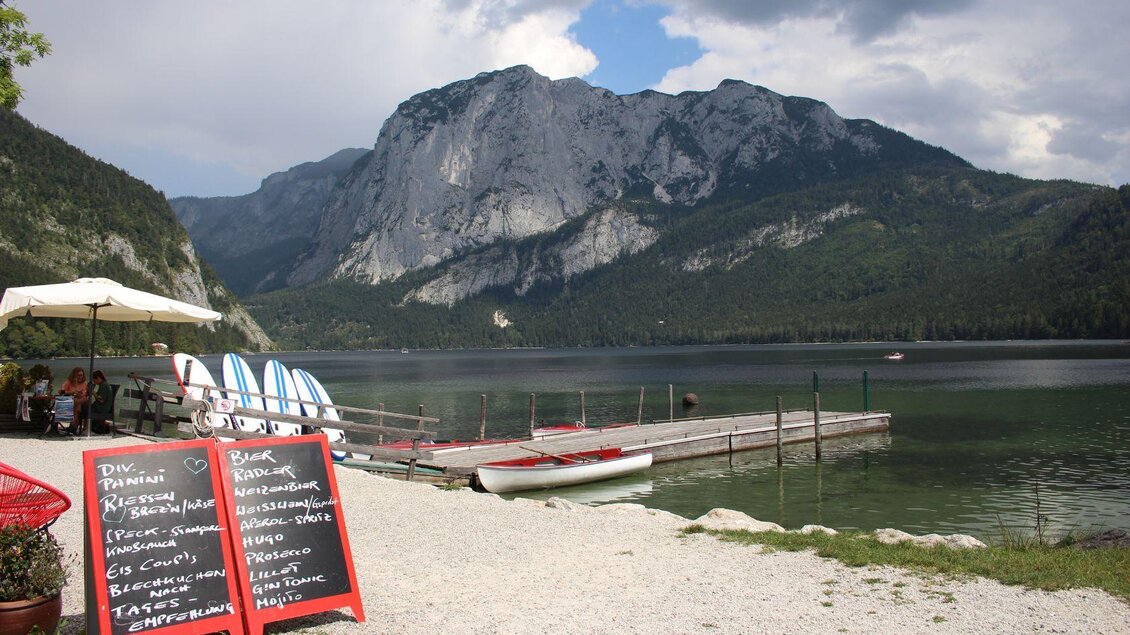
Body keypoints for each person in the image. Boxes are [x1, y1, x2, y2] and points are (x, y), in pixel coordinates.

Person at [59, 366, 90, 430]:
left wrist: (79, 394)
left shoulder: (84, 383)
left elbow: (85, 394)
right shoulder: (69, 382)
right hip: (70, 403)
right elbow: (60, 391)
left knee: (81, 401)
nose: (80, 377)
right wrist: (72, 392)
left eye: (81, 375)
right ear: (74, 375)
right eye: (78, 375)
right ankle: (73, 427)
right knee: (78, 406)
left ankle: (73, 427)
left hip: (81, 402)